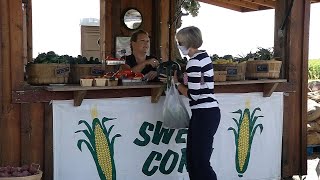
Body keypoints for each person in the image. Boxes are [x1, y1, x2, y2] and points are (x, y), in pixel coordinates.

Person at [173, 26, 220, 180]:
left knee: (198, 162)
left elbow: (194, 96)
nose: (179, 46)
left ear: (187, 42)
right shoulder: (205, 57)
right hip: (209, 112)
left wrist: (177, 84)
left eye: (180, 42)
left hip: (203, 113)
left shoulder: (193, 63)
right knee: (196, 160)